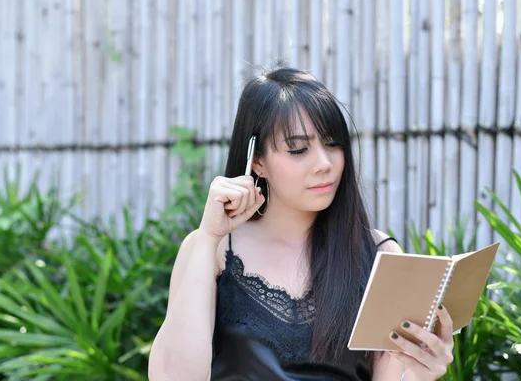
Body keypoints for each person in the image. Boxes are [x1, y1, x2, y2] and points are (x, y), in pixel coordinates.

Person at [148, 67, 454, 380]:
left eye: (333, 144)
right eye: (299, 149)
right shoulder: (209, 249)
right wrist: (209, 237)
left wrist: (422, 373)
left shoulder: (379, 255)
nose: (324, 164)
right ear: (257, 162)